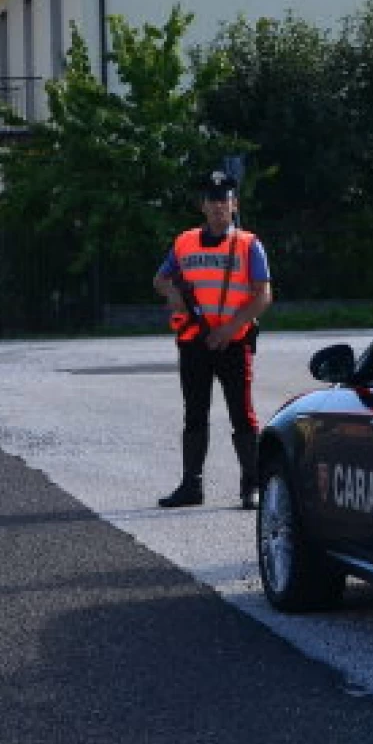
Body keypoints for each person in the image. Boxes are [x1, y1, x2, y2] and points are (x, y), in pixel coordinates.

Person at [153, 169, 274, 510]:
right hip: (194, 341)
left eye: (225, 201)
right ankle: (192, 486)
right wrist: (174, 293)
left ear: (235, 206)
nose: (219, 206)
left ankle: (252, 485)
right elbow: (160, 281)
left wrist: (230, 328)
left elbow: (263, 295)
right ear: (203, 206)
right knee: (194, 413)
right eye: (213, 201)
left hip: (233, 342)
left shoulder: (250, 244)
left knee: (242, 414)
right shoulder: (184, 242)